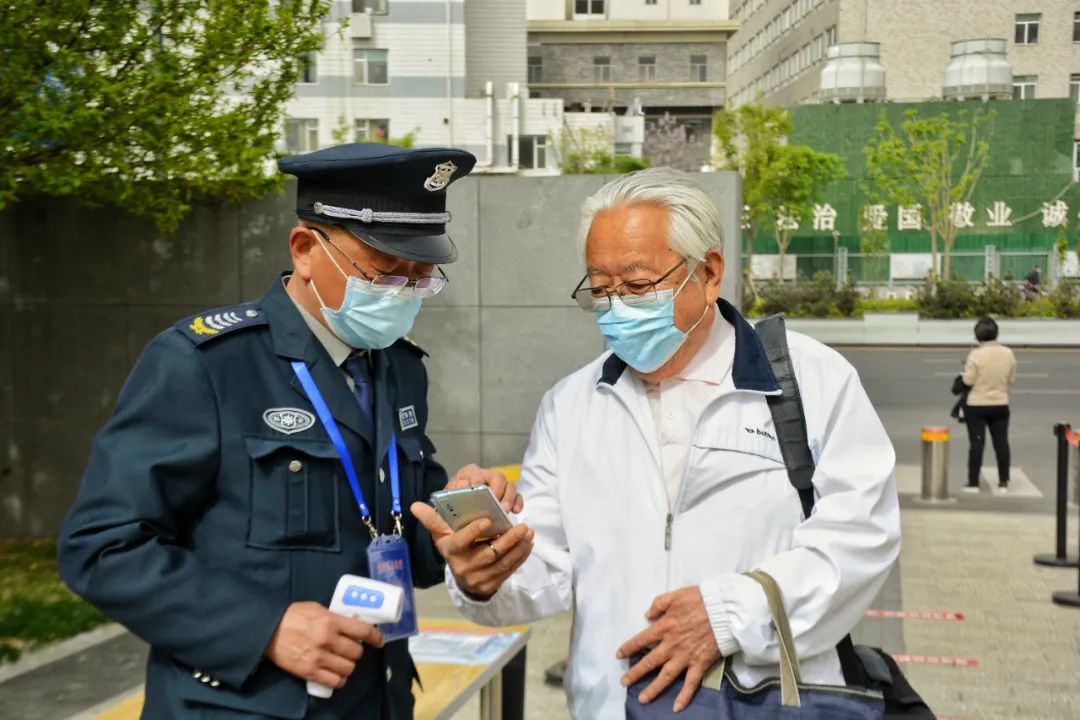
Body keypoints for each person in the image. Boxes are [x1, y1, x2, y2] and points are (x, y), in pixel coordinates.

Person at [411, 168, 901, 719]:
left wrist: (727, 615)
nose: (617, 306)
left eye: (639, 285)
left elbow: (862, 539)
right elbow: (544, 567)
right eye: (600, 288)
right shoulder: (572, 404)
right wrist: (485, 574)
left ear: (709, 272)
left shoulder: (811, 382)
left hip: (761, 705)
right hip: (612, 707)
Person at [57, 143, 487, 719]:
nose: (403, 294)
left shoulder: (399, 367)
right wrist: (263, 629)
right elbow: (103, 546)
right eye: (384, 272)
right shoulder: (205, 364)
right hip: (243, 704)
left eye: (421, 278)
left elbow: (396, 528)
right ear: (307, 250)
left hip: (372, 698)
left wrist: (461, 535)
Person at [961, 317, 1016, 492]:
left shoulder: (975, 355)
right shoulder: (1008, 353)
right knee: (1001, 443)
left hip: (977, 405)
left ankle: (973, 483)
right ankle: (1004, 482)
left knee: (977, 444)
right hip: (1000, 403)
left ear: (978, 335)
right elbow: (1010, 379)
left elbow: (968, 381)